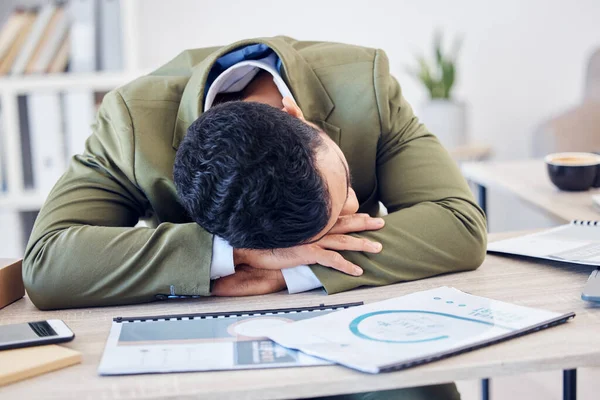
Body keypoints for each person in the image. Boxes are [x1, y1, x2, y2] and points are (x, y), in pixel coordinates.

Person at [23, 35, 485, 400]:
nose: (352, 210)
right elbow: (48, 263)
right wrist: (231, 255)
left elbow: (459, 225)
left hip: (350, 322)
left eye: (343, 182)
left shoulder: (366, 84)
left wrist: (287, 271)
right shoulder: (130, 122)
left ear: (298, 116)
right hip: (204, 342)